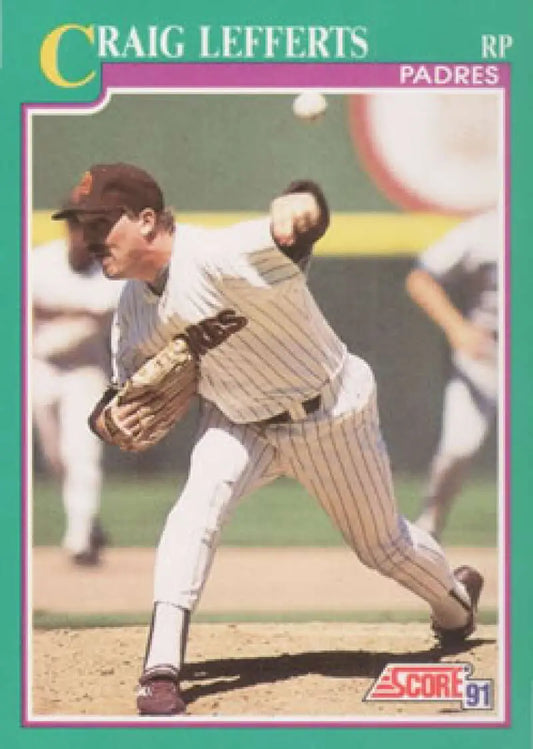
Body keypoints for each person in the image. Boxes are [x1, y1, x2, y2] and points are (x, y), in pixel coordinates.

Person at [53, 162, 484, 716]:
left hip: (330, 412)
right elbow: (126, 395)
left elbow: (297, 228)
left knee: (384, 547)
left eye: (100, 224)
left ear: (147, 220)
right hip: (237, 420)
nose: (89, 239)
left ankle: (456, 605)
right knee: (193, 515)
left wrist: (302, 203)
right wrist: (108, 417)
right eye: (82, 225)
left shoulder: (218, 254)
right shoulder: (131, 312)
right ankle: (160, 669)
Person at [32, 214, 123, 564]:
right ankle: (87, 521)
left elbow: (96, 317)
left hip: (84, 370)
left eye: (86, 227)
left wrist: (48, 310)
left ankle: (80, 539)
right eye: (73, 225)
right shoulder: (41, 261)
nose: (78, 233)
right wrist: (67, 310)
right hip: (41, 368)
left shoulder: (109, 270)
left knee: (81, 454)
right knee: (56, 458)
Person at [406, 208, 499, 541]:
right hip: (488, 357)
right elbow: (420, 278)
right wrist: (457, 329)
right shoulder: (487, 230)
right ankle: (430, 523)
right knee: (459, 447)